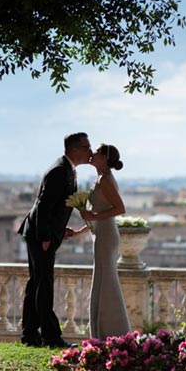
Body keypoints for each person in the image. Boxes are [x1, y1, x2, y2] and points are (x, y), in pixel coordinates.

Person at [18, 132, 92, 348]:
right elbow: (43, 205)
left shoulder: (67, 169)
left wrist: (60, 229)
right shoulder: (60, 170)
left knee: (37, 284)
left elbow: (55, 207)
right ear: (73, 149)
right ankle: (51, 336)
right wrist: (45, 236)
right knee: (44, 285)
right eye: (86, 147)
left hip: (43, 234)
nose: (90, 151)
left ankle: (30, 334)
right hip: (40, 236)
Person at [80, 144, 131, 340]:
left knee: (107, 280)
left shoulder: (106, 180)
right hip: (101, 234)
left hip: (107, 236)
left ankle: (112, 333)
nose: (91, 153)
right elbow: (99, 216)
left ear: (104, 158)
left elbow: (120, 208)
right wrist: (80, 231)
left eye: (97, 151)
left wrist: (92, 217)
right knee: (103, 280)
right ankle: (105, 333)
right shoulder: (102, 179)